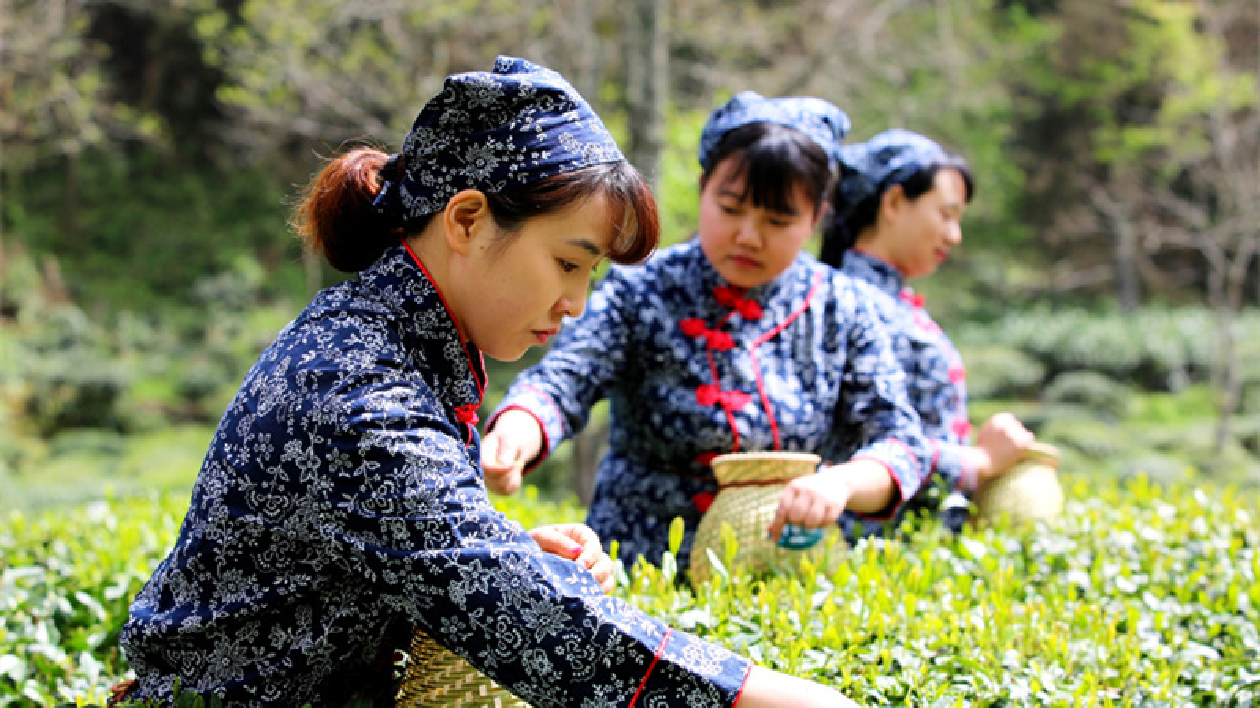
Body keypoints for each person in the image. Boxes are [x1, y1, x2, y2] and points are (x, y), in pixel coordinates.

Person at [113, 58, 856, 707]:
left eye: (589, 274)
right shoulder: (357, 388)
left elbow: (365, 565)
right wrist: (768, 697)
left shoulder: (398, 340)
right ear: (467, 219)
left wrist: (494, 551)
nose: (575, 303)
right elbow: (536, 625)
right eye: (568, 263)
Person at [482, 90, 931, 574]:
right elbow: (564, 380)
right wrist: (517, 430)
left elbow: (901, 442)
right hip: (641, 570)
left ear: (816, 219)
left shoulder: (843, 307)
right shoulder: (642, 288)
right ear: (703, 190)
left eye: (778, 220)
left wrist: (839, 484)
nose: (748, 236)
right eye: (731, 208)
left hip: (787, 573)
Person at [819, 128, 1036, 535]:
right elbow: (862, 444)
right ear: (895, 202)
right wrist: (980, 463)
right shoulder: (852, 303)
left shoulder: (882, 300)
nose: (954, 235)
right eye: (946, 214)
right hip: (875, 547)